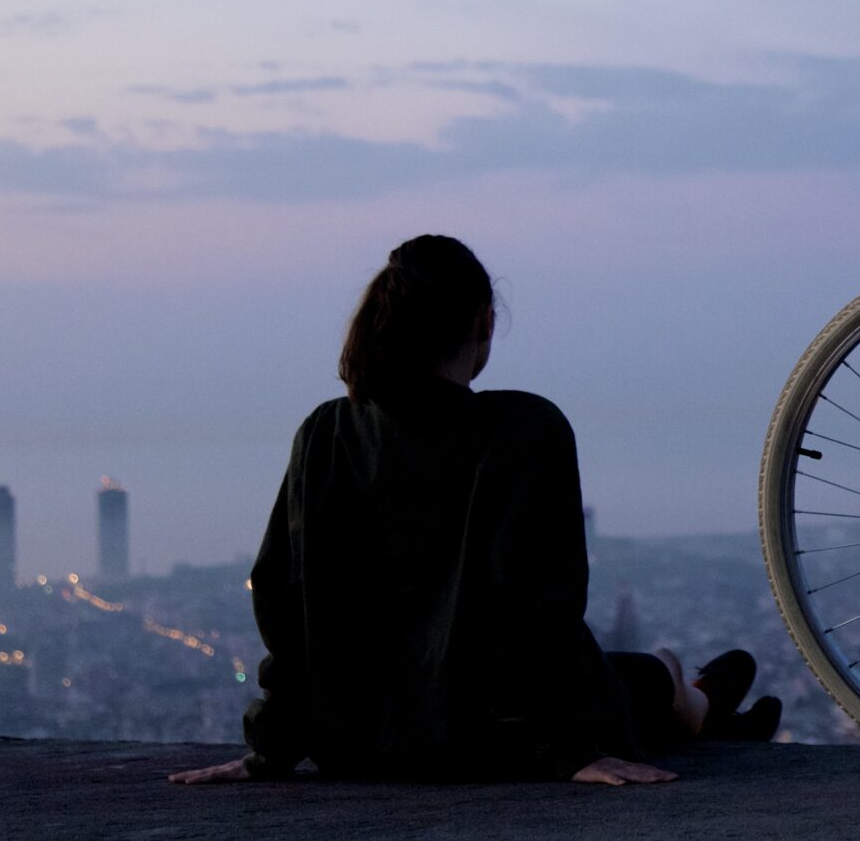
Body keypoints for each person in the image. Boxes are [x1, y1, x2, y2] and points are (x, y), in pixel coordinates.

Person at [169, 234, 776, 789]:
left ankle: (702, 696)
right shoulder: (524, 428)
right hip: (501, 744)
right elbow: (539, 608)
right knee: (646, 675)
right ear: (485, 323)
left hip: (357, 746)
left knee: (635, 673)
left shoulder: (326, 434)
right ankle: (697, 700)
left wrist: (270, 750)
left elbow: (282, 597)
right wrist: (568, 752)